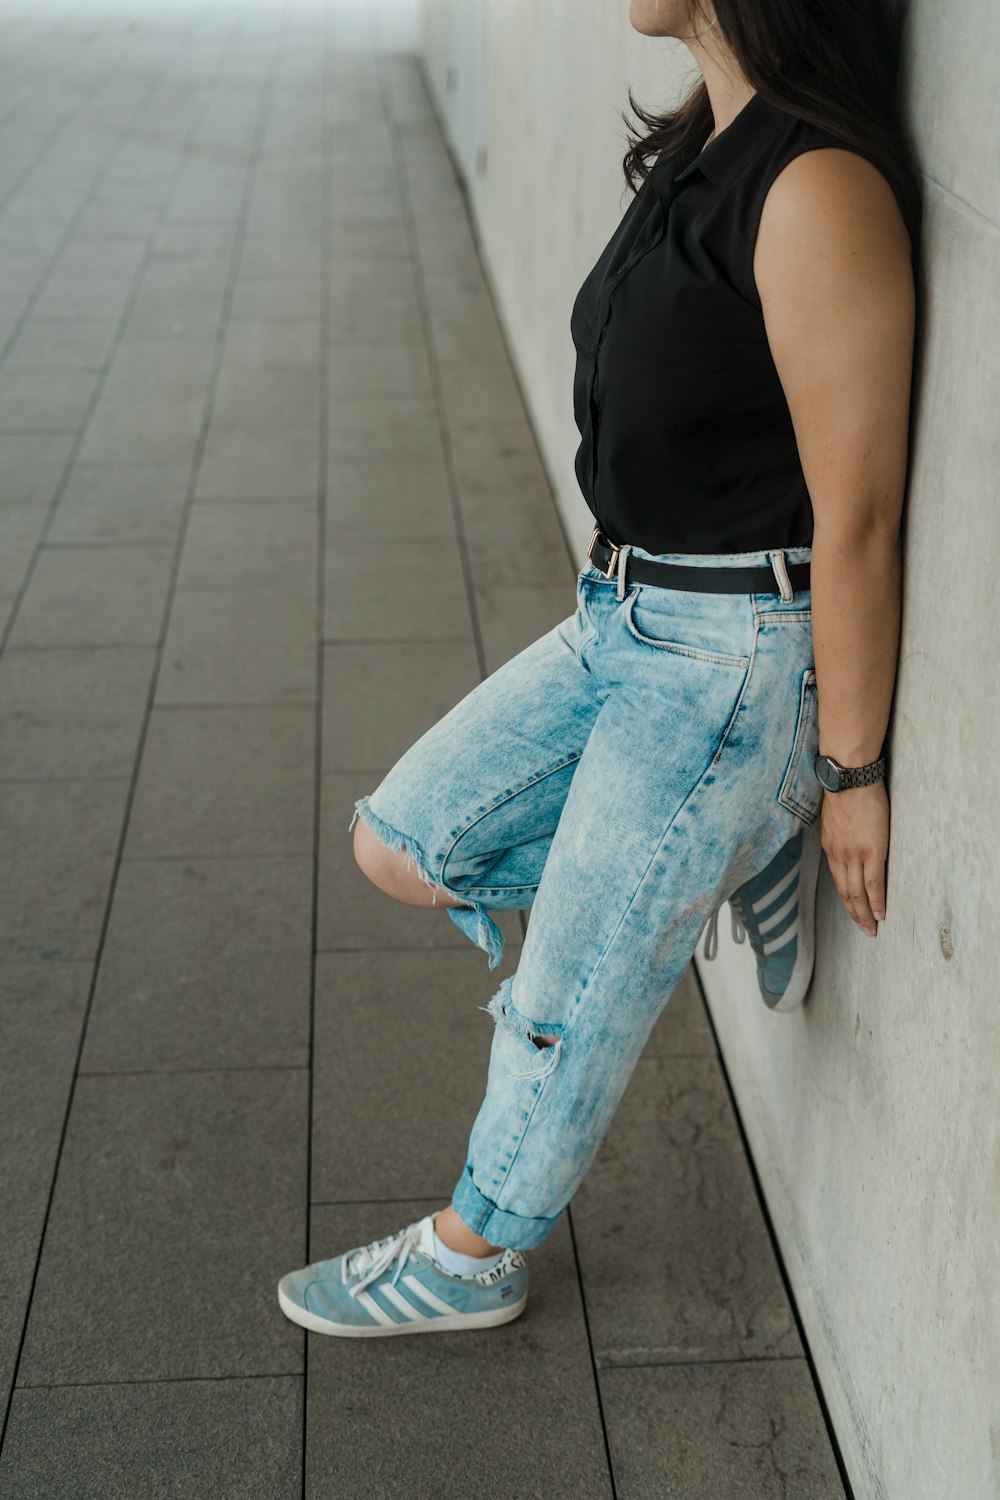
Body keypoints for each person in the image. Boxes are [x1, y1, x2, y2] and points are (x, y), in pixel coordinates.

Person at [278, 0, 920, 1337]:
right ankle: (718, 855)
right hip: (621, 615)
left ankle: (471, 1255)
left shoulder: (819, 189)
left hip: (731, 658)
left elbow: (857, 520)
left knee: (566, 997)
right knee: (404, 843)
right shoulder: (707, 144)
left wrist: (849, 768)